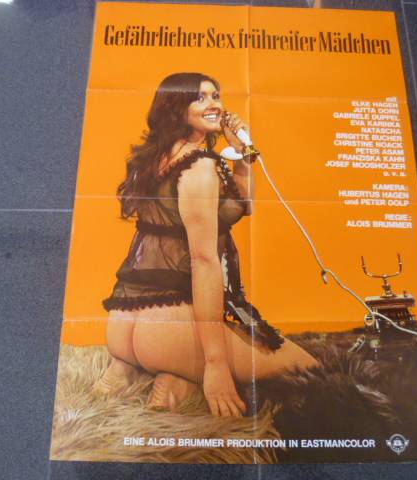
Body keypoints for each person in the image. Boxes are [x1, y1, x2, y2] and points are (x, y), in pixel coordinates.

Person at [94, 72, 319, 418]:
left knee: (199, 349)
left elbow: (245, 205)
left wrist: (242, 152)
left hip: (123, 325)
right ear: (176, 108)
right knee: (306, 365)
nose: (214, 104)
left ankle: (151, 371)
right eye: (200, 98)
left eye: (216, 95)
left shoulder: (151, 160)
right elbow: (203, 261)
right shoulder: (200, 167)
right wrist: (216, 365)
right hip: (165, 333)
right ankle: (180, 371)